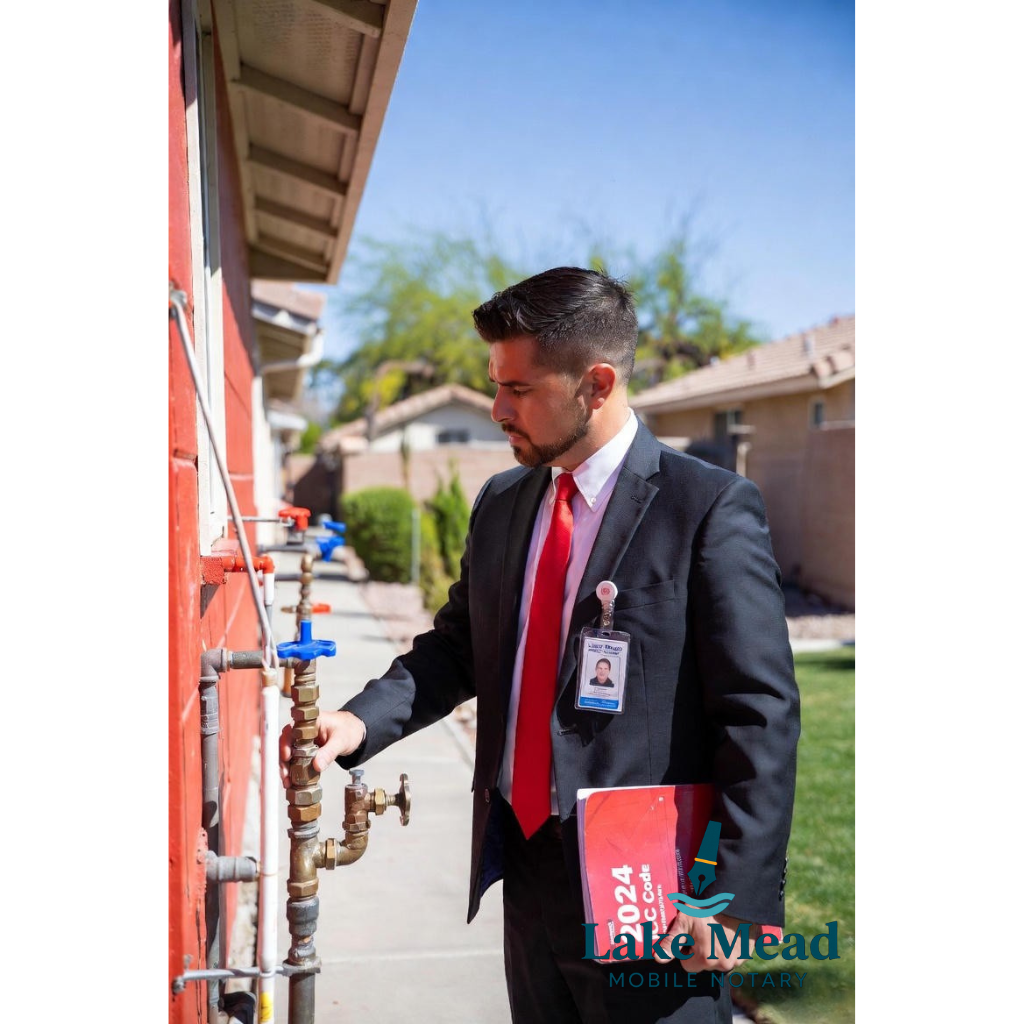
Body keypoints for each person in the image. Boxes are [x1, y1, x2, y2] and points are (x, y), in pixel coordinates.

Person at [280, 267, 800, 1023]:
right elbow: (459, 645)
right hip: (525, 867)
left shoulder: (706, 508)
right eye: (496, 385)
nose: (496, 409)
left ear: (594, 383)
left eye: (518, 390)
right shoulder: (502, 504)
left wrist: (732, 896)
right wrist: (360, 721)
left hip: (651, 890)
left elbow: (760, 714)